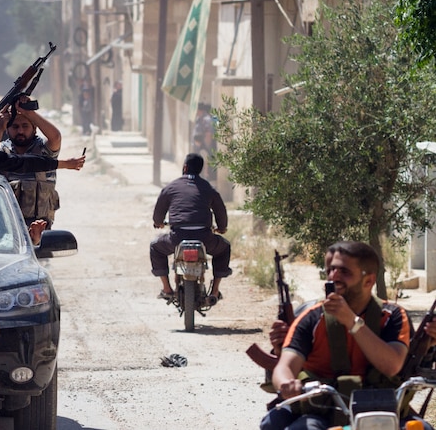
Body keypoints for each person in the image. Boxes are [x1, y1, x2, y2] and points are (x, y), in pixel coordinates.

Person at [259, 241, 427, 430]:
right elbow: (286, 366)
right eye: (330, 270)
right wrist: (286, 384)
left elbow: (391, 365)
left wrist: (352, 322)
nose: (333, 277)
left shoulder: (391, 316)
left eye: (344, 272)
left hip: (380, 409)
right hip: (320, 409)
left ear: (369, 281)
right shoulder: (311, 317)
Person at [150, 153, 230, 305]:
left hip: (177, 238)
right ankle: (214, 291)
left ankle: (167, 289)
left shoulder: (171, 187)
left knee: (156, 246)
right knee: (224, 248)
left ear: (185, 167)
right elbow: (220, 210)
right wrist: (221, 228)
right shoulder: (208, 188)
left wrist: (158, 222)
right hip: (205, 238)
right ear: (202, 169)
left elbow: (158, 213)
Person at [0, 97, 63, 230]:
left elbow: (56, 138)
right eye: (15, 127)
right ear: (7, 129)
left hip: (40, 227)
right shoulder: (2, 150)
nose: (20, 131)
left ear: (34, 128)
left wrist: (30, 113)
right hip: (8, 227)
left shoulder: (43, 150)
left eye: (25, 126)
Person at [192, 102, 217, 181]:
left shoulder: (206, 119)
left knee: (206, 165)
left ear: (199, 110)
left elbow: (208, 134)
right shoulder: (199, 118)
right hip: (199, 147)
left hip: (204, 147)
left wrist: (207, 146)